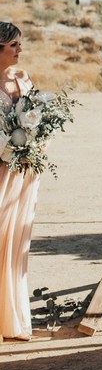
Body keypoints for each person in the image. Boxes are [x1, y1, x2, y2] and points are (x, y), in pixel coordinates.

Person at [0, 22, 38, 342]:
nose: (19, 50)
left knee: (17, 237)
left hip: (24, 169)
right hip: (0, 168)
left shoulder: (23, 79)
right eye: (13, 44)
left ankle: (11, 317)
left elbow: (36, 118)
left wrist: (38, 142)